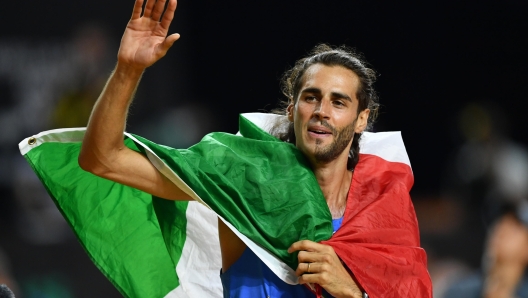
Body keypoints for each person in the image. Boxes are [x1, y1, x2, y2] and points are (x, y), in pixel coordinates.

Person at [77, 0, 431, 297]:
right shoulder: (242, 177)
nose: (322, 110)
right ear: (292, 111)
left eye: (339, 102)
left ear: (361, 120)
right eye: (311, 97)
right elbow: (104, 159)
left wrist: (352, 291)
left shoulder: (385, 204)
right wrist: (128, 70)